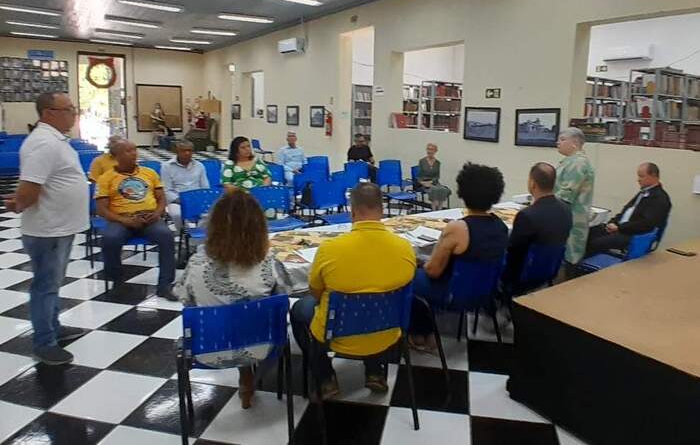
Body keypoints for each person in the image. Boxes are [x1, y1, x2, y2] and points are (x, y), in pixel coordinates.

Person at [290, 183, 415, 398]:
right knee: (376, 301)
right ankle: (375, 372)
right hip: (388, 332)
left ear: (352, 211)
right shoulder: (405, 248)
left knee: (300, 310)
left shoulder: (330, 249)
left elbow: (316, 293)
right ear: (382, 209)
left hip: (337, 335)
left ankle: (325, 377)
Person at [174, 189, 278, 409]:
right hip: (262, 347)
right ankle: (248, 377)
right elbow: (281, 298)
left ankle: (245, 377)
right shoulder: (268, 263)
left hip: (209, 349)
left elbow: (186, 301)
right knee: (248, 318)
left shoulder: (196, 263)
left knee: (225, 317)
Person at [5, 93, 89, 365]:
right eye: (69, 109)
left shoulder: (55, 140)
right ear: (48, 113)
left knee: (53, 284)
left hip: (59, 226)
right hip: (48, 229)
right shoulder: (43, 142)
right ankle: (44, 343)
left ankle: (54, 327)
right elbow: (30, 187)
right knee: (45, 286)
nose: (74, 113)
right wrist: (19, 202)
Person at [409, 162, 509, 351]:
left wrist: (419, 262)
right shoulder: (500, 227)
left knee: (406, 277)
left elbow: (433, 271)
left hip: (454, 295)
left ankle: (421, 333)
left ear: (462, 192)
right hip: (485, 293)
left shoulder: (457, 228)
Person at [95, 140, 177, 301]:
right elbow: (101, 209)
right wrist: (124, 220)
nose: (134, 153)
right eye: (128, 151)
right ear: (117, 156)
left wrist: (157, 213)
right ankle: (118, 282)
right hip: (121, 220)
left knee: (166, 236)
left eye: (134, 149)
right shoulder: (106, 178)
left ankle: (165, 285)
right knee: (110, 239)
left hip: (149, 217)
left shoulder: (149, 173)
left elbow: (162, 198)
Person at [502, 162, 572, 287]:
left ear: (532, 183)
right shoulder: (566, 209)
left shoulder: (527, 215)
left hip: (522, 277)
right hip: (550, 272)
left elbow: (513, 252)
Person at [585, 162, 671, 257]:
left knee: (595, 243)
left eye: (641, 176)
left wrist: (619, 228)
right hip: (622, 229)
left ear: (653, 176)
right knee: (588, 232)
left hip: (632, 235)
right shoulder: (644, 193)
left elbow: (645, 224)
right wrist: (612, 222)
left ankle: (582, 264)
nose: (638, 180)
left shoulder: (660, 199)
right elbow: (626, 212)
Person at [554, 127, 595, 267]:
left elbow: (566, 195)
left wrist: (543, 205)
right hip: (566, 216)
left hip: (571, 219)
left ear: (574, 143)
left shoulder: (578, 163)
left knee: (569, 259)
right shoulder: (570, 161)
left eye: (562, 139)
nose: (558, 142)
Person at [160, 139, 209, 229]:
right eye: (183, 151)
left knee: (210, 214)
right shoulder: (166, 167)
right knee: (177, 214)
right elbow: (166, 190)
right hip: (177, 200)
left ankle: (199, 233)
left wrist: (199, 199)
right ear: (177, 151)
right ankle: (182, 232)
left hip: (197, 199)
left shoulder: (199, 166)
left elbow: (205, 187)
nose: (187, 153)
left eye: (189, 150)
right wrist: (182, 200)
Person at [416, 143, 451, 210]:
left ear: (435, 151)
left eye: (431, 149)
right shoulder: (422, 161)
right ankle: (434, 210)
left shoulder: (437, 163)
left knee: (444, 189)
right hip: (423, 183)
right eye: (428, 149)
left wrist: (431, 182)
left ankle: (439, 209)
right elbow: (419, 176)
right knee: (434, 190)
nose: (429, 151)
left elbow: (437, 176)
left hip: (434, 182)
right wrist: (423, 183)